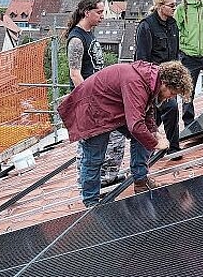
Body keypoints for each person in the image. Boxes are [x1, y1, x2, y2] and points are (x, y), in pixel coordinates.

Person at [57, 61, 193, 207]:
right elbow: (135, 125)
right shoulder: (137, 83)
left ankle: (141, 181)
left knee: (144, 136)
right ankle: (91, 203)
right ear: (165, 83)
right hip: (93, 110)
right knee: (94, 158)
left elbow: (146, 110)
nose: (170, 98)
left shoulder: (150, 79)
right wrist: (155, 143)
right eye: (171, 93)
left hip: (113, 108)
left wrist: (154, 131)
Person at [65, 0, 125, 185]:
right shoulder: (76, 39)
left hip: (100, 96)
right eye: (99, 12)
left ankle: (106, 177)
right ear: (86, 12)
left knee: (108, 137)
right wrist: (89, 100)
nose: (102, 16)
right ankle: (89, 181)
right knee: (92, 141)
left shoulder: (89, 33)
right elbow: (75, 74)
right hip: (89, 99)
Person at [135, 0, 182, 159]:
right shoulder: (146, 26)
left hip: (170, 80)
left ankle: (170, 148)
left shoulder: (173, 24)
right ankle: (167, 148)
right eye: (171, 5)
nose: (174, 7)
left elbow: (175, 53)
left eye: (175, 4)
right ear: (160, 7)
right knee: (163, 112)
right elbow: (141, 59)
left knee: (164, 114)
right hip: (153, 80)